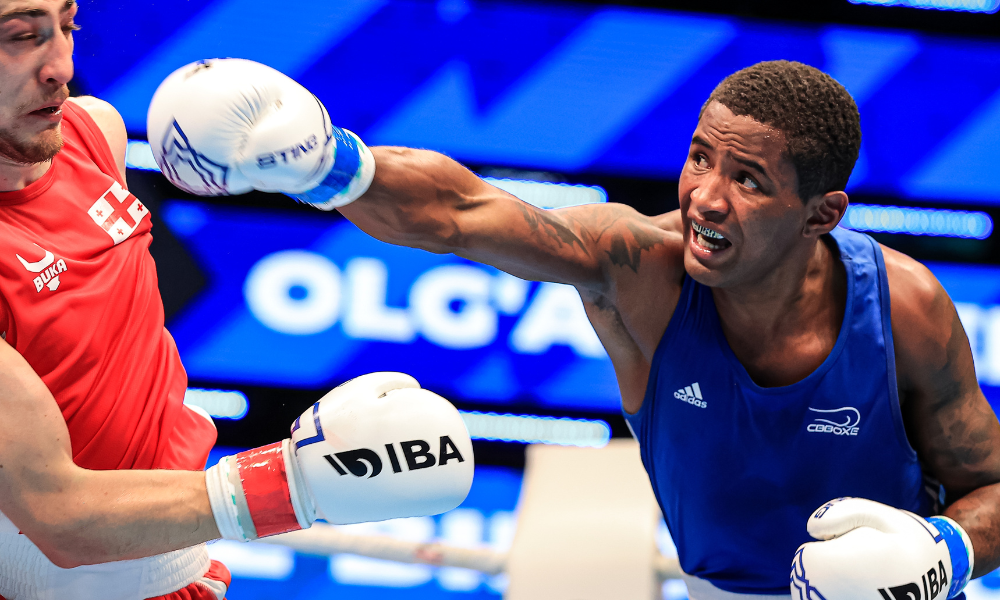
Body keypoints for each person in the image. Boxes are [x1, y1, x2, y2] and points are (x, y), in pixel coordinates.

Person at [151, 57, 1000, 599]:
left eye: (748, 179)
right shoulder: (640, 269)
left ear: (823, 213)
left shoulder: (903, 307)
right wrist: (335, 165)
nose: (704, 196)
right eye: (702, 155)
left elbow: (992, 485)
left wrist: (946, 555)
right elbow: (462, 211)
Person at [0, 2, 474, 599]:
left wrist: (325, 166)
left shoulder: (93, 133)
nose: (61, 67)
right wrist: (296, 484)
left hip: (176, 571)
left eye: (68, 27)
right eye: (21, 37)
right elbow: (58, 517)